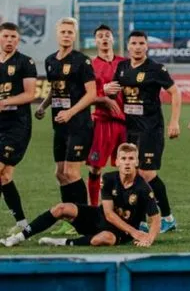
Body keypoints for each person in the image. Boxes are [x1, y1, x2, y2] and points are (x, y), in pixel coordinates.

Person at [1, 143, 160, 247]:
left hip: (120, 232)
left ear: (137, 162)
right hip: (99, 218)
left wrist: (149, 238)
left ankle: (63, 242)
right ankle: (18, 237)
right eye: (123, 158)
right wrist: (136, 233)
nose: (127, 162)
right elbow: (108, 214)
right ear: (117, 161)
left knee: (104, 239)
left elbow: (155, 218)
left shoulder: (143, 188)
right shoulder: (109, 178)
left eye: (131, 159)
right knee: (62, 208)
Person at [106, 31, 181, 233]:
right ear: (128, 46)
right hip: (130, 129)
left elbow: (175, 92)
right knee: (134, 173)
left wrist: (174, 121)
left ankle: (167, 218)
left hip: (151, 129)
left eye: (141, 43)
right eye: (134, 43)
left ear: (146, 46)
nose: (137, 47)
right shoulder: (122, 68)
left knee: (146, 174)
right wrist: (105, 90)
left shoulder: (156, 69)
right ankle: (140, 219)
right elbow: (112, 91)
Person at [35, 17, 96, 236]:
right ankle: (70, 219)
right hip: (59, 125)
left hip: (79, 125)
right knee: (60, 173)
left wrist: (70, 112)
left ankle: (85, 220)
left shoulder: (82, 61)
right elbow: (55, 89)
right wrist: (43, 106)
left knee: (71, 172)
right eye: (63, 31)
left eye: (70, 32)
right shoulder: (51, 60)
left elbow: (92, 94)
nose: (67, 35)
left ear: (75, 34)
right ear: (57, 34)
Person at [0, 23, 37, 234]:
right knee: (5, 177)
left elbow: (30, 94)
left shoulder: (25, 62)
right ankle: (23, 224)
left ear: (18, 39)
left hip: (17, 126)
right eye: (6, 36)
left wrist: (5, 102)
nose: (9, 40)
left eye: (14, 37)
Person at [86, 25, 127, 207]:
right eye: (100, 36)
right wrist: (103, 91)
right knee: (95, 168)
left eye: (107, 35)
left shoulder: (125, 63)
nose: (104, 38)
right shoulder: (90, 66)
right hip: (102, 121)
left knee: (128, 166)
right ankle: (94, 208)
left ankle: (127, 207)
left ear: (113, 39)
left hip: (126, 122)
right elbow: (84, 95)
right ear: (95, 41)